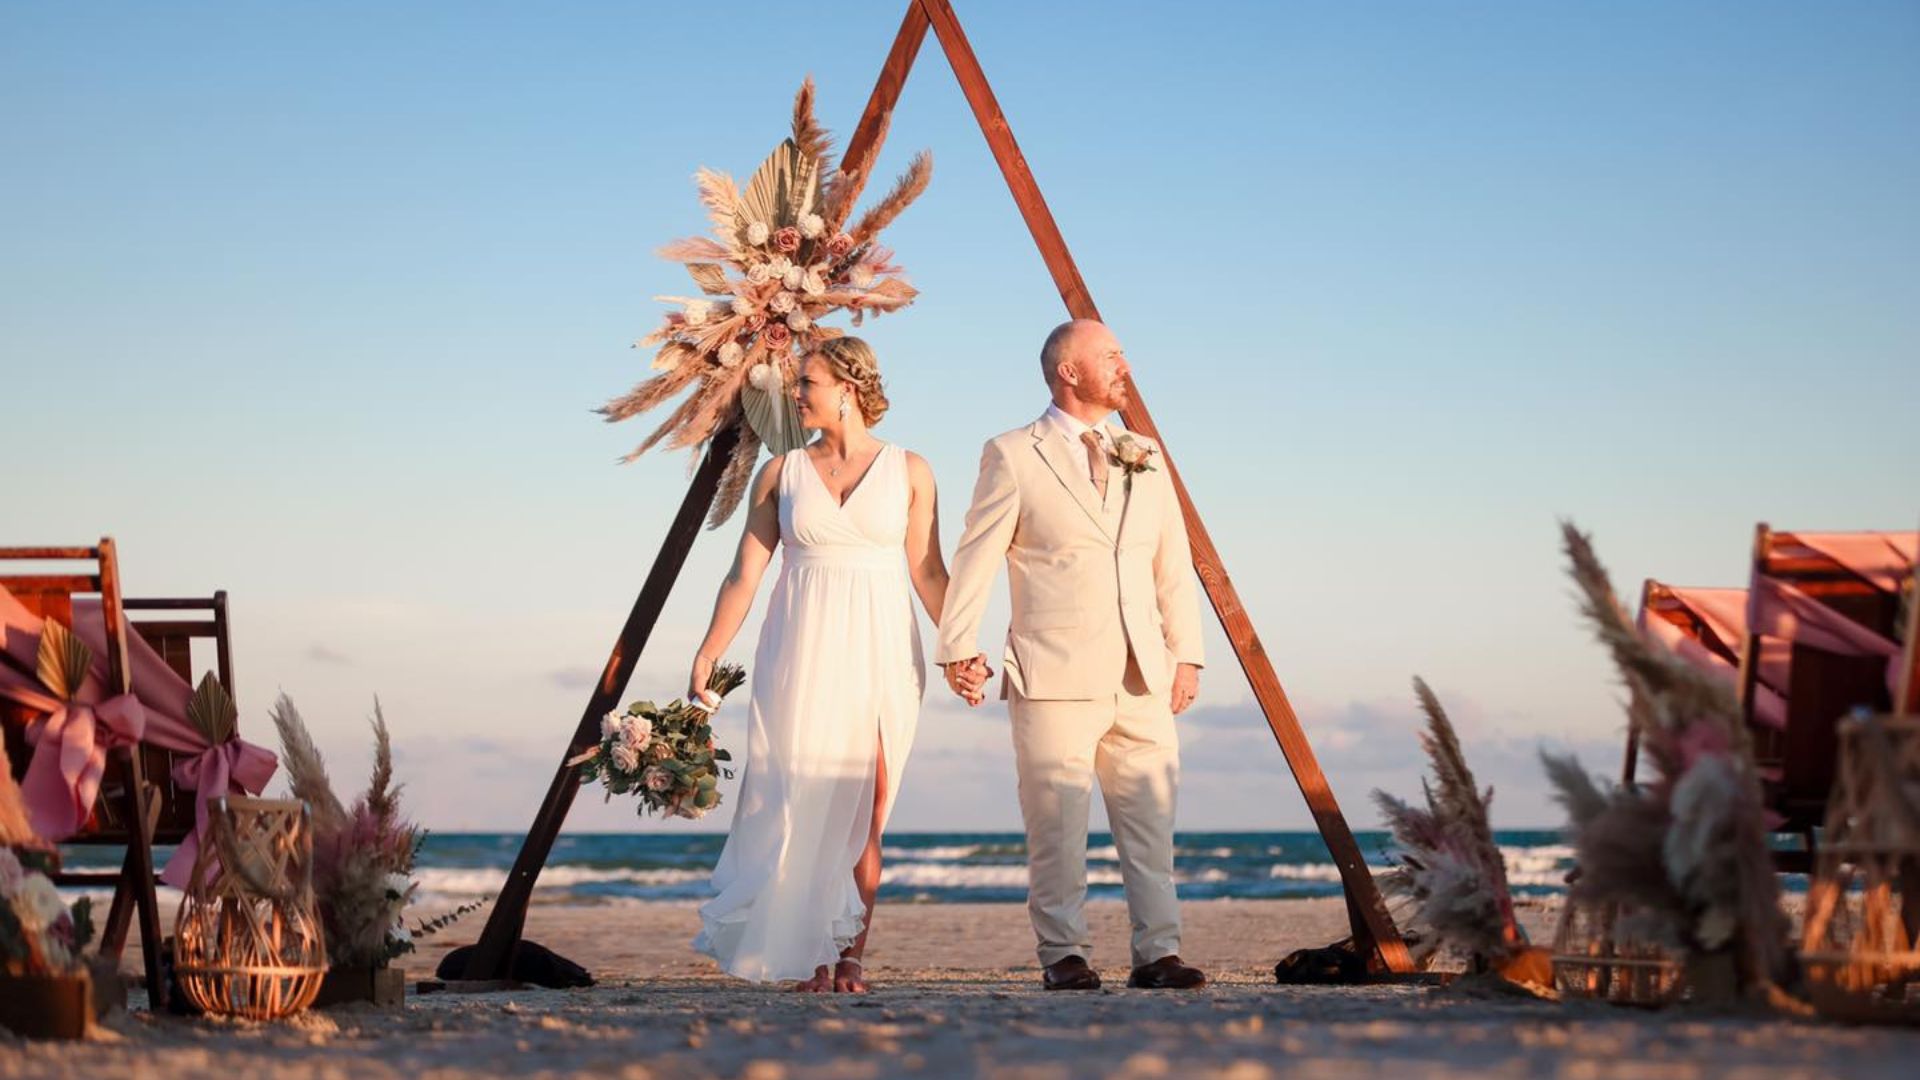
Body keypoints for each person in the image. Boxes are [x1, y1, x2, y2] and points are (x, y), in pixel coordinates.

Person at [938, 319, 1209, 991]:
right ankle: (1064, 956)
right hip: (1053, 673)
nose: (1126, 366)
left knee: (1151, 823)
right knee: (1057, 826)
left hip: (1142, 672)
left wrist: (1188, 653)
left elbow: (1172, 563)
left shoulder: (1144, 453)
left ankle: (1159, 955)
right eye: (1112, 356)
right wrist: (956, 648)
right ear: (1069, 371)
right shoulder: (1012, 454)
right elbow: (977, 556)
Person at [688, 336, 963, 992]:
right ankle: (811, 956)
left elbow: (929, 572)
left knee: (865, 807)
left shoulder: (911, 470)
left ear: (847, 386)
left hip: (882, 650)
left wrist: (963, 646)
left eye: (806, 381)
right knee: (797, 799)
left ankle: (850, 958)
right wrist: (707, 653)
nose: (796, 393)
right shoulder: (780, 473)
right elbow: (743, 575)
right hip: (799, 649)